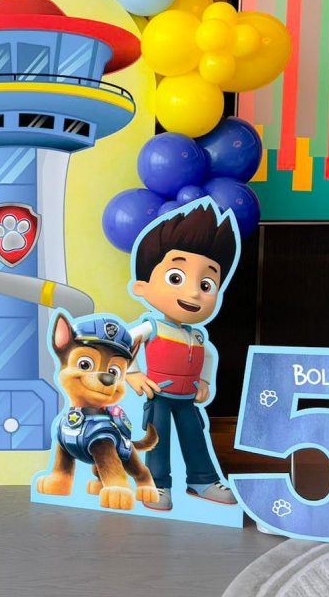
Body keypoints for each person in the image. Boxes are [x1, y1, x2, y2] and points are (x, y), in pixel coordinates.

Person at [125, 199, 240, 511]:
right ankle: (157, 484)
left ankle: (202, 480)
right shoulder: (152, 326)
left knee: (194, 436)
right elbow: (127, 342)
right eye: (176, 278)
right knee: (158, 438)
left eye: (206, 284)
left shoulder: (196, 335)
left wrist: (205, 382)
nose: (193, 293)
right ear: (141, 287)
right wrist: (133, 374)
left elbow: (209, 357)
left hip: (187, 397)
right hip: (159, 395)